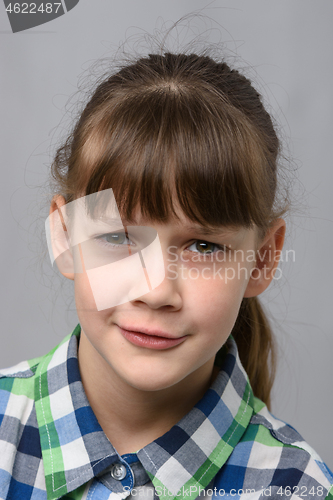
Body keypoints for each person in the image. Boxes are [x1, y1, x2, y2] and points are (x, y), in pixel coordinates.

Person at [0, 51, 332, 500]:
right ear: (64, 235)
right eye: (118, 237)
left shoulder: (294, 488)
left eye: (204, 246)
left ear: (262, 258)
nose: (156, 292)